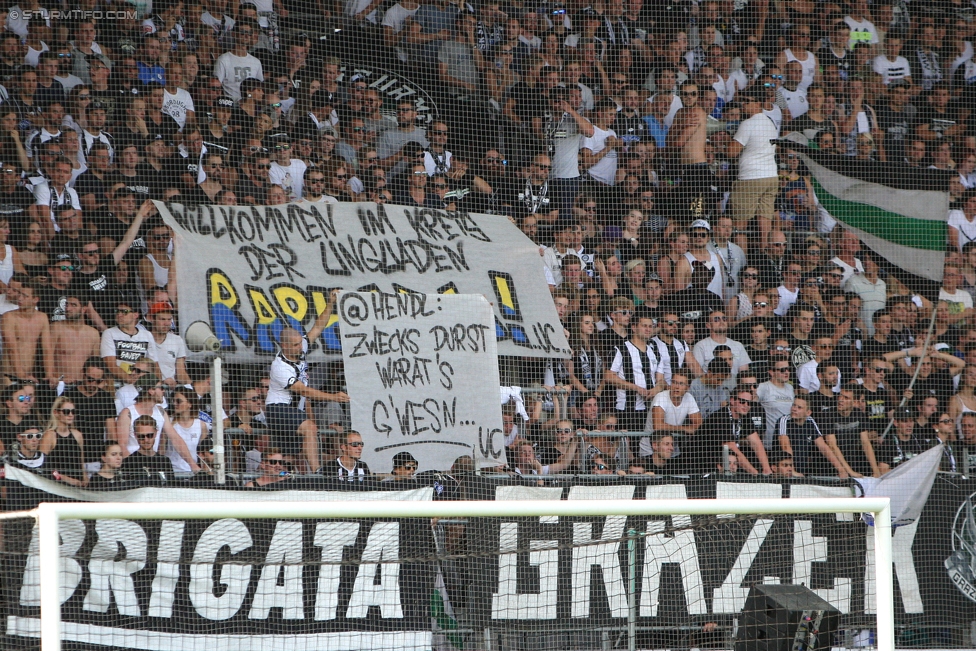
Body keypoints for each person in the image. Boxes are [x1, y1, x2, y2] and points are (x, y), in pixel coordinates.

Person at [266, 299, 350, 472]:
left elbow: (318, 328)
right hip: (277, 409)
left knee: (291, 454)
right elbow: (303, 390)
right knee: (310, 427)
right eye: (296, 345)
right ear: (284, 345)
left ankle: (291, 479)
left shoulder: (300, 348)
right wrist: (333, 397)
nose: (300, 347)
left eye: (300, 343)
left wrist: (330, 304)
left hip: (295, 410)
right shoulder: (280, 366)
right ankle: (317, 472)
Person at [727, 94, 779, 252]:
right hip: (771, 176)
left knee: (740, 225)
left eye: (747, 101)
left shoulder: (747, 123)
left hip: (751, 177)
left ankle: (741, 261)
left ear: (758, 103)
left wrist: (726, 143)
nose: (743, 104)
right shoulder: (770, 123)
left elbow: (731, 152)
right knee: (765, 224)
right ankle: (764, 259)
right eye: (743, 101)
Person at [776, 396, 848, 477]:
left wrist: (841, 470)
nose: (794, 409)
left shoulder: (810, 421)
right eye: (794, 405)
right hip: (784, 473)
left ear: (808, 412)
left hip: (802, 471)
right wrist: (791, 471)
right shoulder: (784, 420)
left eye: (799, 407)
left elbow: (823, 447)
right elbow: (785, 447)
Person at [39, 396, 86, 486]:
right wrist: (65, 479)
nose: (70, 415)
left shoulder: (78, 435)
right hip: (57, 485)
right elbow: (43, 466)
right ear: (56, 413)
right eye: (66, 412)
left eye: (73, 411)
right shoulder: (49, 436)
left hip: (78, 486)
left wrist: (85, 478)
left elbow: (81, 462)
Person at [120, 414, 174, 482]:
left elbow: (171, 487)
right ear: (135, 435)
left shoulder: (165, 461)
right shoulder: (128, 462)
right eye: (141, 436)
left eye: (149, 435)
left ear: (156, 433)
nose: (146, 440)